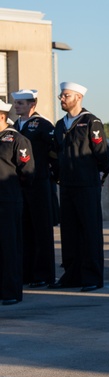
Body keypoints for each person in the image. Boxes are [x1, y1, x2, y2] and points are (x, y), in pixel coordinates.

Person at [50, 82, 109, 292]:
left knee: (90, 231)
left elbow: (101, 153)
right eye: (61, 95)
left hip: (87, 184)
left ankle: (92, 276)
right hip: (67, 184)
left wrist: (99, 175)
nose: (62, 99)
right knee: (69, 232)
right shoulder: (60, 124)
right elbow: (55, 153)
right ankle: (72, 275)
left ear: (79, 97)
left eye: (66, 95)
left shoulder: (91, 122)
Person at [11, 89, 55, 287]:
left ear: (32, 105)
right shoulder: (15, 127)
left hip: (38, 182)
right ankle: (26, 272)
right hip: (20, 184)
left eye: (21, 104)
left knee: (41, 229)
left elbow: (55, 150)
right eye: (16, 104)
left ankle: (43, 274)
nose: (17, 107)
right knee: (24, 230)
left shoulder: (43, 125)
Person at [0, 100, 34, 305]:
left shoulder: (16, 139)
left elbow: (27, 171)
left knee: (9, 247)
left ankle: (11, 291)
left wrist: (12, 190)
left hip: (8, 200)